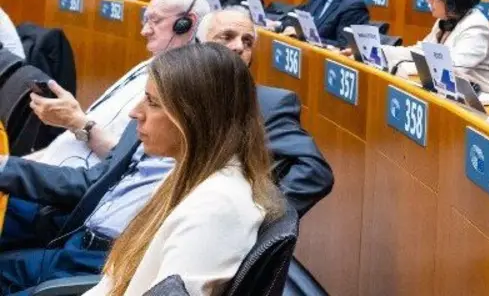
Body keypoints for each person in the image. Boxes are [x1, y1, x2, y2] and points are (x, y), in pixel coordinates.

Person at [0, 14, 332, 291]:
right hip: (89, 248)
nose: (134, 113)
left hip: (105, 260)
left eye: (247, 41)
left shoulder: (215, 201)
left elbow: (312, 174)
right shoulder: (186, 167)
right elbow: (99, 179)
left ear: (194, 110)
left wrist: (262, 213)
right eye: (226, 36)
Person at [83, 42, 283, 296]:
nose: (135, 113)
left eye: (153, 103)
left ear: (196, 117)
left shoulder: (216, 208)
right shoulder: (190, 173)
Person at [24, 0, 213, 167]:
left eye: (155, 21)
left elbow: (132, 165)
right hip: (54, 162)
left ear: (186, 23)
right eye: (145, 21)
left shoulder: (186, 88)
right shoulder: (147, 65)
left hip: (78, 184)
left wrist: (75, 121)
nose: (144, 31)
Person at [383, 0, 489, 92]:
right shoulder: (444, 20)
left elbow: (451, 68)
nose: (428, 0)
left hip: (480, 101)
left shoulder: (477, 26)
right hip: (446, 91)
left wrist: (404, 66)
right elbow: (420, 51)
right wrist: (381, 51)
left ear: (452, 2)